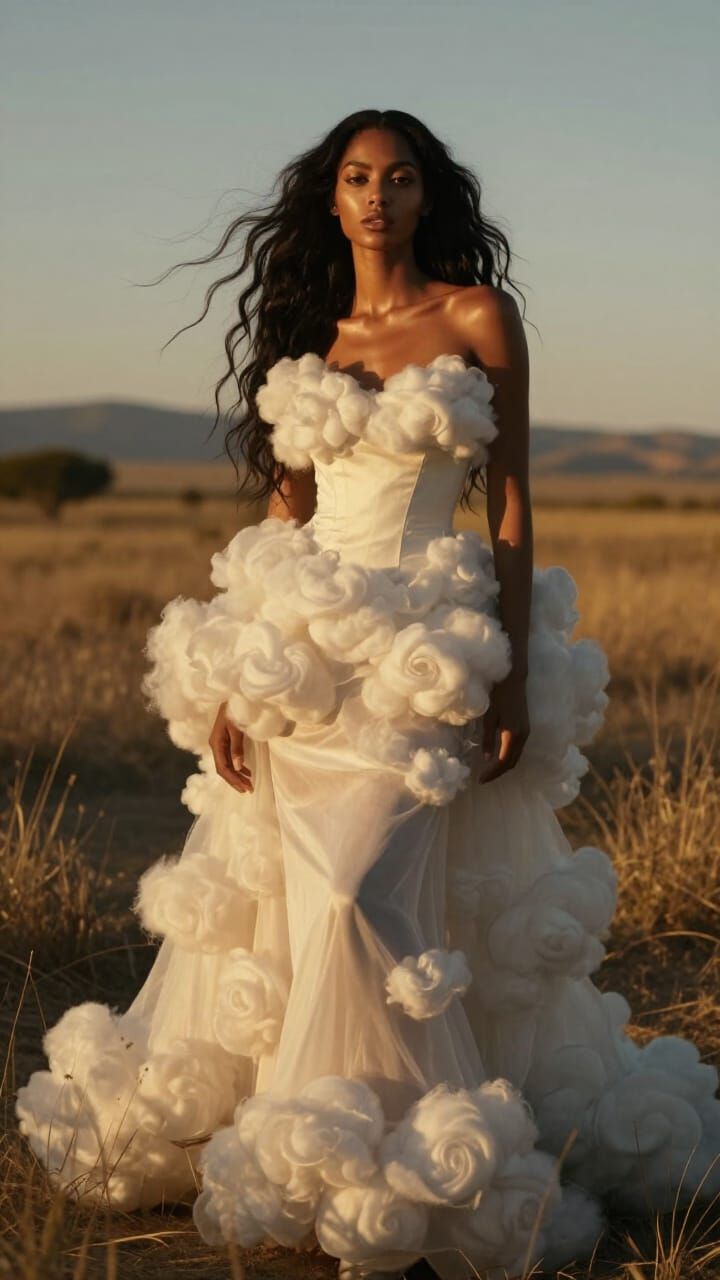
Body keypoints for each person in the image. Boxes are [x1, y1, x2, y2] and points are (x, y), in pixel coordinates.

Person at [15, 109, 720, 1280]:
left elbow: (509, 499)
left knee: (355, 895)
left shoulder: (477, 317)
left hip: (426, 647)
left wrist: (503, 660)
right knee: (297, 906)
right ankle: (310, 1157)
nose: (378, 194)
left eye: (399, 176)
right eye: (357, 176)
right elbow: (286, 518)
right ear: (331, 199)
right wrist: (245, 665)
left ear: (426, 195)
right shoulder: (312, 335)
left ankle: (406, 1155)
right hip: (304, 655)